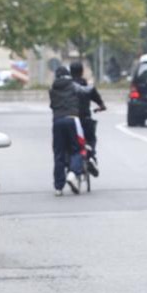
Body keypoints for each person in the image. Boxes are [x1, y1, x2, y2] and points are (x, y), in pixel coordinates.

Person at [49, 65, 93, 197]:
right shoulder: (73, 85)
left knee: (58, 153)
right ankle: (73, 173)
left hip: (57, 122)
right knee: (77, 149)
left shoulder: (52, 89)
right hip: (73, 119)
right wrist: (91, 85)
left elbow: (52, 105)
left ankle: (58, 187)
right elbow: (86, 91)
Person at [69, 62, 106, 177]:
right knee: (91, 138)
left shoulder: (67, 86)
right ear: (82, 72)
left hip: (70, 120)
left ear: (70, 72)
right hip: (85, 119)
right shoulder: (87, 86)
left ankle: (70, 163)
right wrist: (101, 107)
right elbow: (99, 101)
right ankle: (90, 156)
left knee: (71, 142)